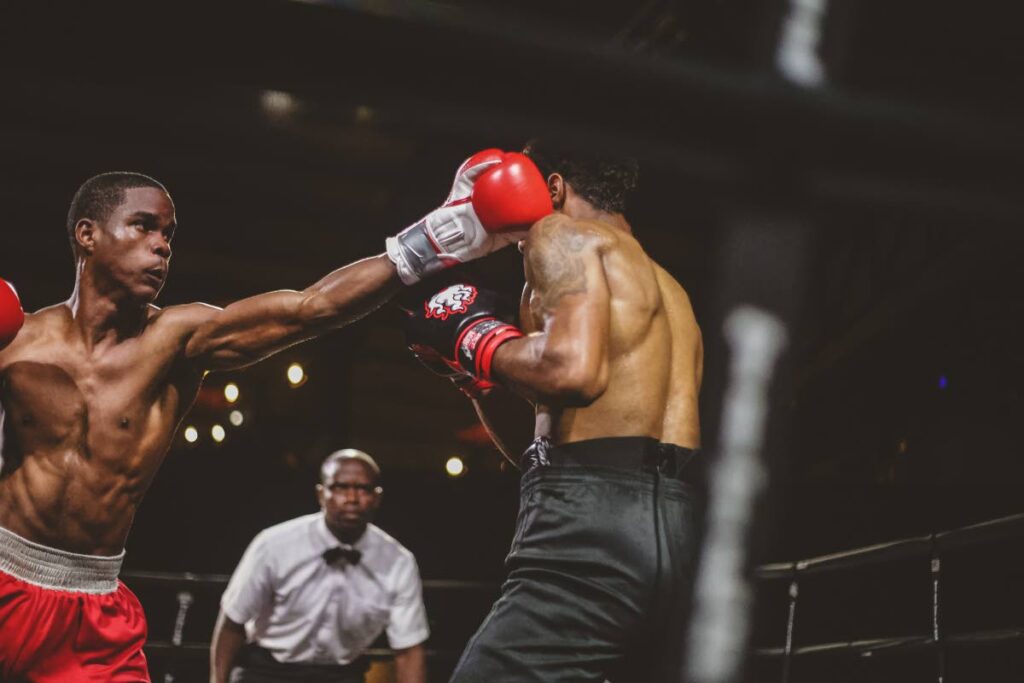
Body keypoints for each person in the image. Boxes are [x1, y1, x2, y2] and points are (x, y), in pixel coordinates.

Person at [0, 150, 550, 682]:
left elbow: (311, 309)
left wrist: (434, 239)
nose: (161, 246)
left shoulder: (177, 340)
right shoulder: (16, 341)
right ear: (87, 234)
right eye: (143, 227)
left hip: (92, 611)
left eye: (168, 234)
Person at [405, 141, 704, 682]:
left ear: (555, 187)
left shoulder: (557, 234)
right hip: (678, 533)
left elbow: (572, 374)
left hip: (588, 529)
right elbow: (552, 437)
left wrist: (472, 335)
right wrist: (478, 378)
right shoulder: (672, 291)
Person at [210, 449, 427, 683]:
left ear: (377, 497)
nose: (352, 498)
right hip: (267, 671)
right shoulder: (273, 545)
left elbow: (409, 651)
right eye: (340, 487)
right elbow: (232, 623)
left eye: (363, 489)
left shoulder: (399, 562)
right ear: (321, 494)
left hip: (342, 674)